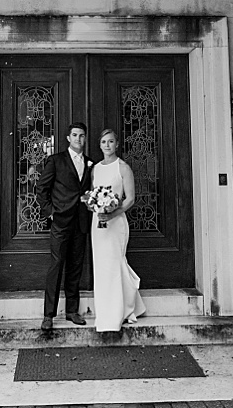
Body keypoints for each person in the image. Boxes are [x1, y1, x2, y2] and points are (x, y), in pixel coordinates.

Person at [36, 122, 94, 330]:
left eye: (82, 136)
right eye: (75, 135)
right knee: (56, 265)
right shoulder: (56, 160)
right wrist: (50, 212)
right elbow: (42, 188)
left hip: (80, 221)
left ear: (85, 139)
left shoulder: (90, 163)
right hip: (60, 220)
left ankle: (72, 311)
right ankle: (48, 315)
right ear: (68, 138)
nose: (79, 139)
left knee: (75, 266)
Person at [90, 128, 147, 332]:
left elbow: (130, 199)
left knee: (115, 264)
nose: (107, 145)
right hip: (98, 224)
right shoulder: (95, 169)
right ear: (100, 145)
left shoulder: (123, 168)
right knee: (101, 266)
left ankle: (120, 312)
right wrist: (94, 206)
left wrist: (112, 213)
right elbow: (91, 195)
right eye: (104, 142)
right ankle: (105, 313)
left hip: (116, 223)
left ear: (117, 144)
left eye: (111, 141)